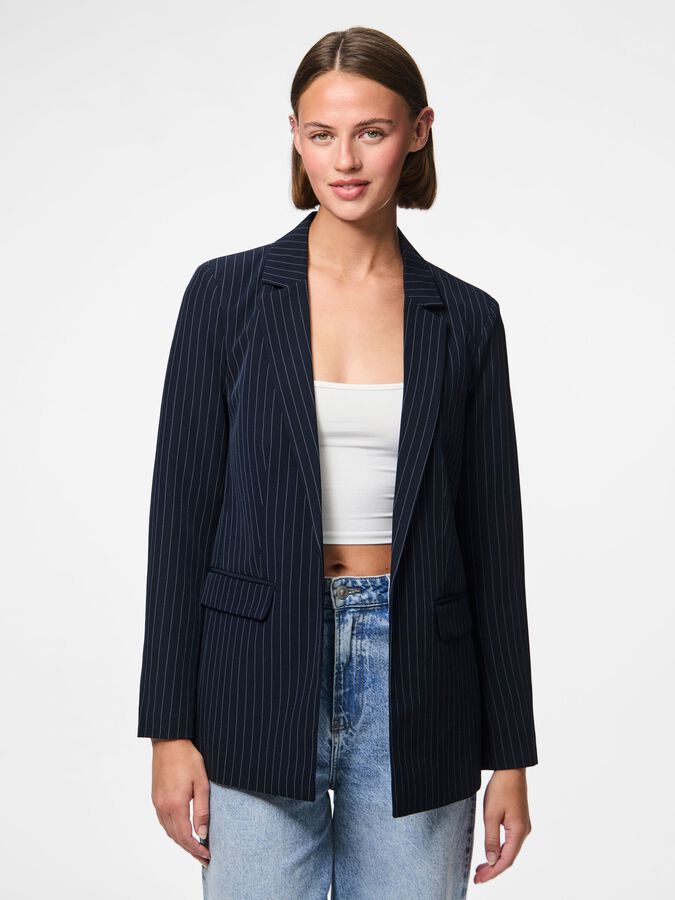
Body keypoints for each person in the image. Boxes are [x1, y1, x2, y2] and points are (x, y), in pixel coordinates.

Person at [137, 26, 538, 899]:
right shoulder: (226, 296)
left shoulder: (465, 319)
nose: (344, 160)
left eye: (371, 132)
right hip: (253, 669)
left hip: (420, 675)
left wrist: (510, 753)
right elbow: (181, 517)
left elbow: (492, 544)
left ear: (418, 131)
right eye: (321, 134)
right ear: (294, 136)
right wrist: (167, 729)